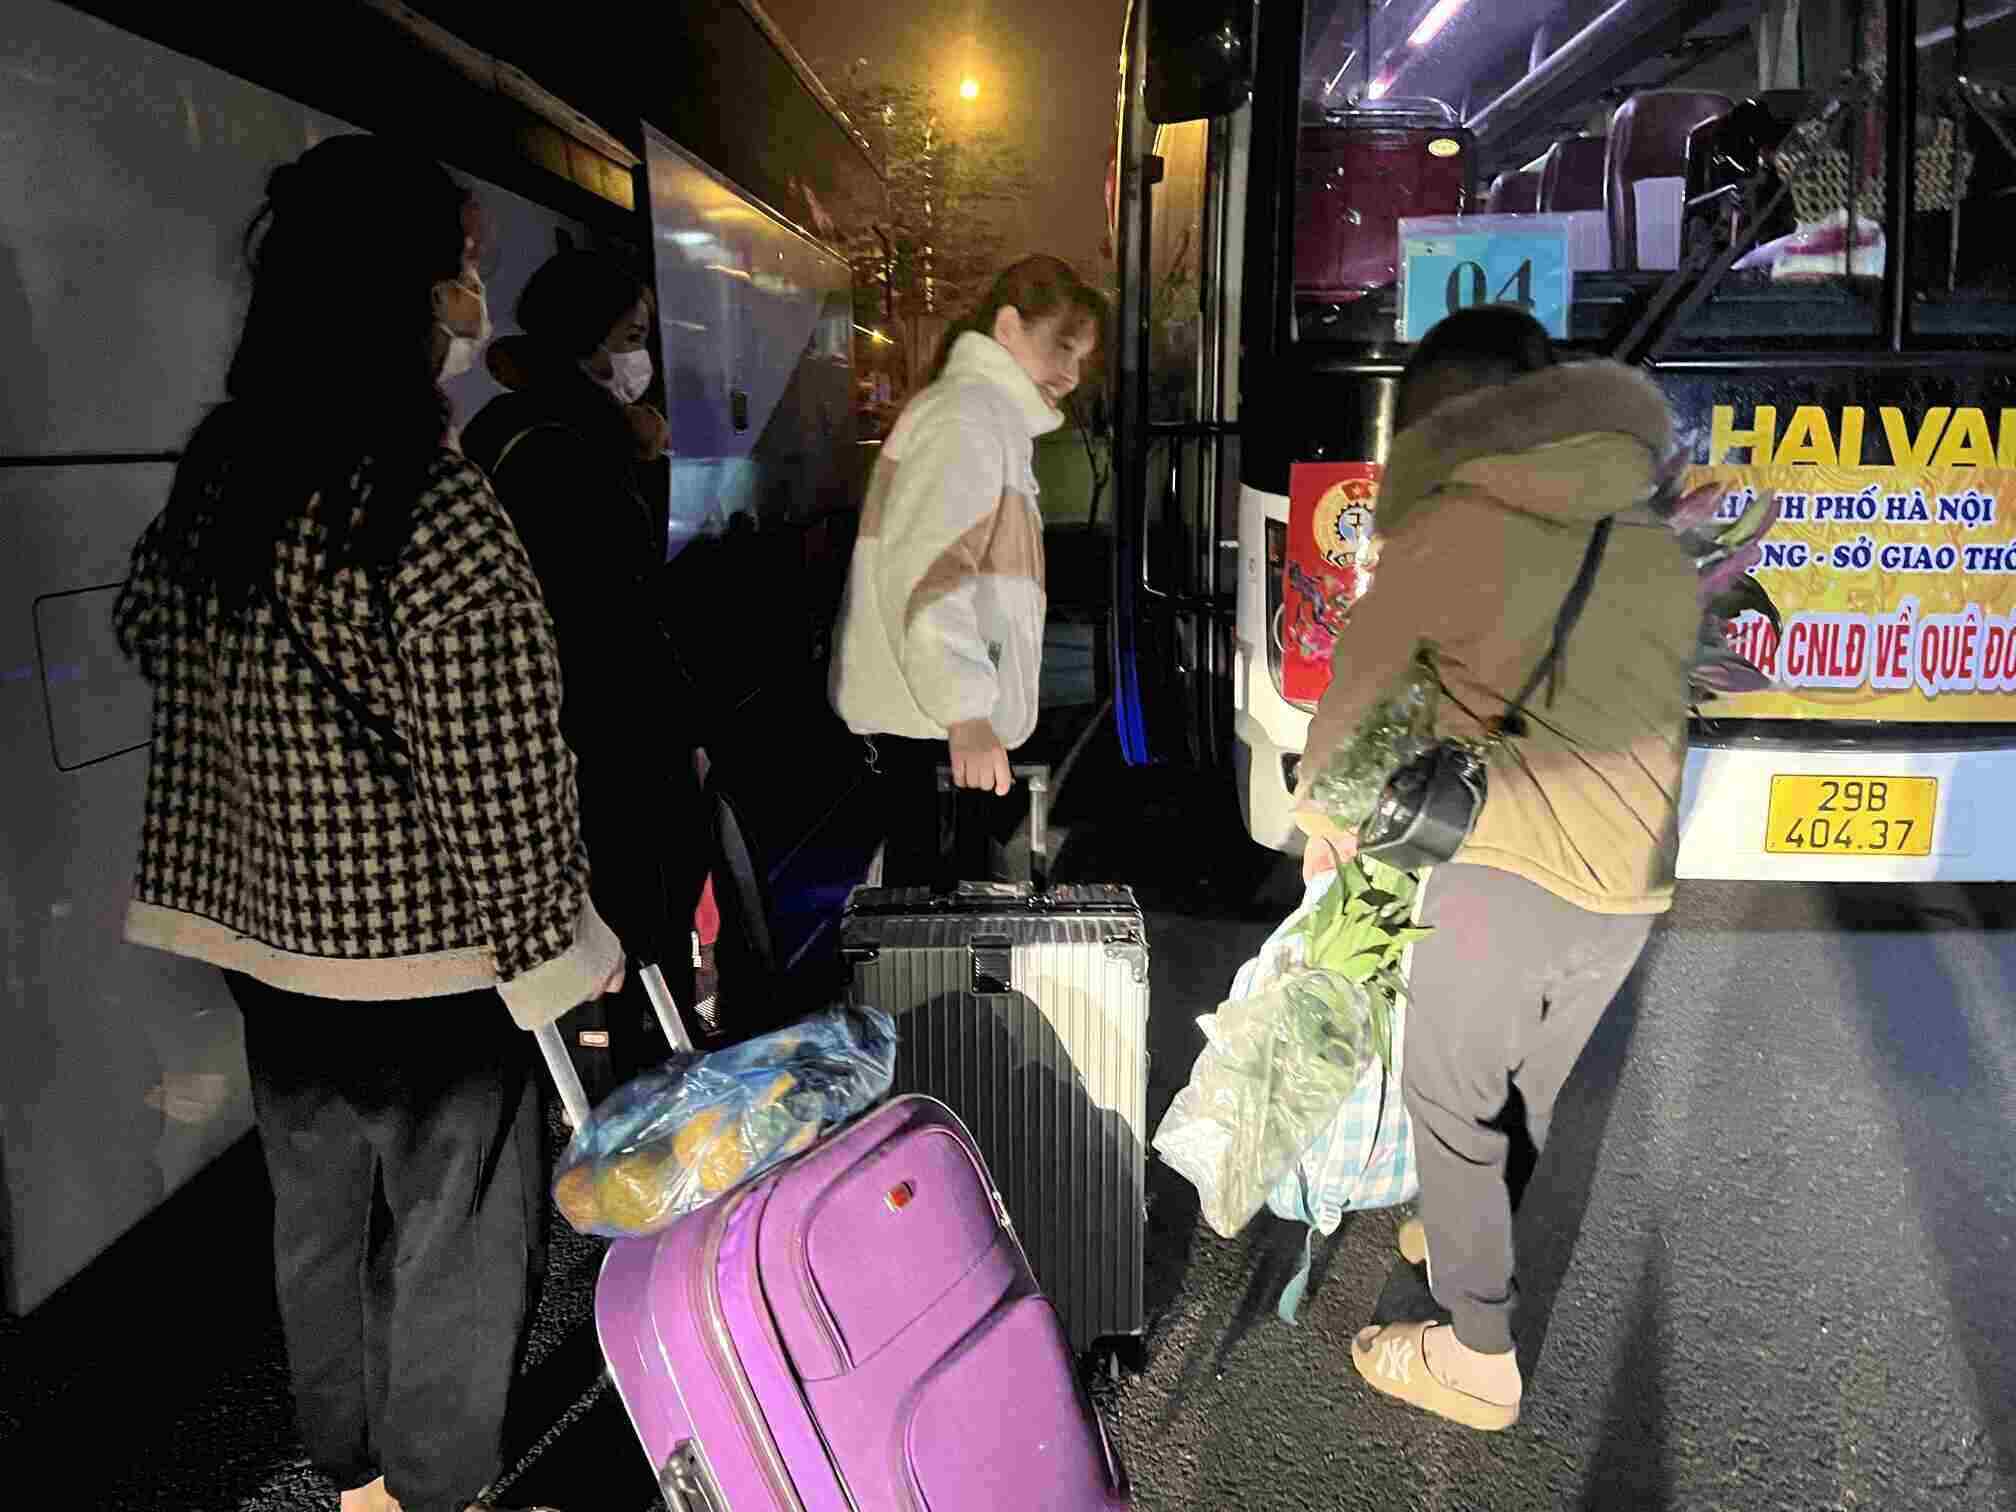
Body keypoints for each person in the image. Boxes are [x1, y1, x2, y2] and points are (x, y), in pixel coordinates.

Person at [112, 135, 608, 1512]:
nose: (473, 299)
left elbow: (148, 631)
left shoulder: (222, 475)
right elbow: (500, 768)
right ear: (405, 290)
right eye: (462, 267)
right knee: (456, 1236)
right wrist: (554, 949)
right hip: (429, 968)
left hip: (271, 950)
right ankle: (436, 1488)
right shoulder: (430, 499)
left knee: (316, 1221)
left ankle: (350, 1472)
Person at [1292, 305, 1699, 1431]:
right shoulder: (1642, 515)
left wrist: (1323, 818)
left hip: (1512, 863)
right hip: (1632, 876)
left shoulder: (1459, 525)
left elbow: (1358, 692)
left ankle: (1479, 1359)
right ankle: (1463, 1231)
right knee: (1524, 1091)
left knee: (1452, 1094)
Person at [462, 252, 711, 1093]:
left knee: (607, 926)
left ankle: (614, 1075)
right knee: (644, 925)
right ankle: (654, 1099)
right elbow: (619, 608)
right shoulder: (572, 447)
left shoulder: (502, 430)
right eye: (631, 337)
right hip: (615, 735)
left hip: (566, 731)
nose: (641, 359)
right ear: (587, 343)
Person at [829, 254, 1103, 886]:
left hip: (932, 726)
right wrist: (966, 712)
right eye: (1062, 346)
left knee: (934, 920)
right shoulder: (966, 418)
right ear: (1007, 328)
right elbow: (929, 574)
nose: (1071, 373)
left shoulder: (980, 417)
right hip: (932, 731)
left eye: (1081, 357)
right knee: (937, 919)